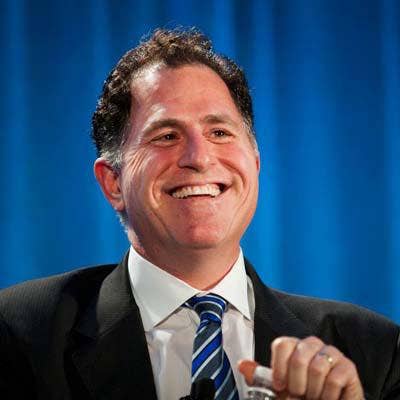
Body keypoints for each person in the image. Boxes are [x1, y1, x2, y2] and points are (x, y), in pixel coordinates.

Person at [0, 28, 399, 400]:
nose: (200, 157)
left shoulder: (373, 352)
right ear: (114, 183)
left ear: (254, 165)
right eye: (166, 136)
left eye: (220, 132)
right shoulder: (19, 334)